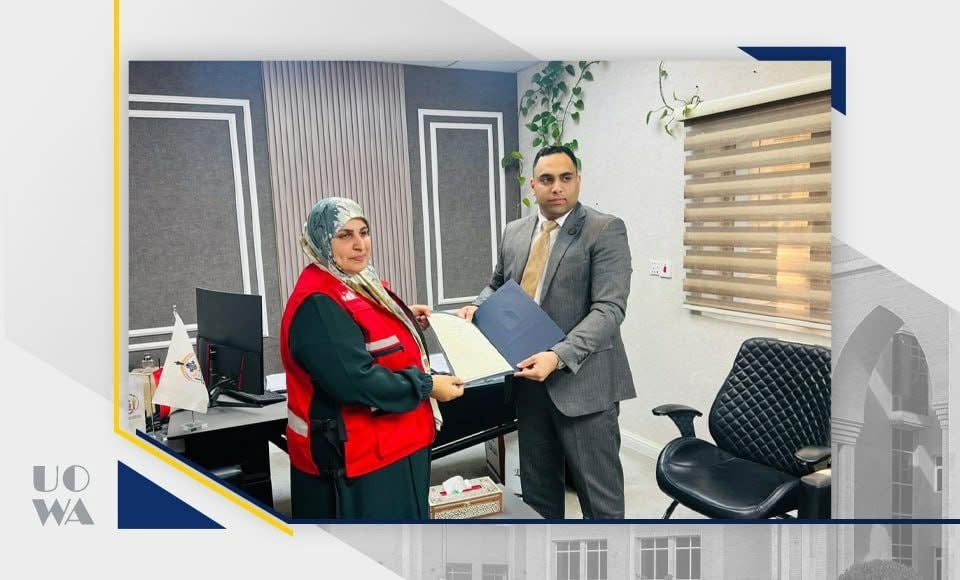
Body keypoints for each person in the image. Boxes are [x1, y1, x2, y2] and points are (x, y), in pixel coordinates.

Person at [457, 145, 635, 519]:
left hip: (584, 384)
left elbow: (609, 309)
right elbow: (496, 284)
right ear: (533, 185)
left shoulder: (604, 230)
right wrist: (477, 304)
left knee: (600, 500)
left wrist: (558, 356)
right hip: (529, 383)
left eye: (566, 178)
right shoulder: (515, 232)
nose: (557, 187)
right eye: (547, 179)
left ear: (578, 181)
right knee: (539, 495)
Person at [281, 197, 464, 519]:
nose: (360, 244)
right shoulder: (318, 303)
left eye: (363, 232)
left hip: (396, 443)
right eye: (345, 235)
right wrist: (428, 386)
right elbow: (355, 381)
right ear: (321, 241)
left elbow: (366, 331)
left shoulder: (356, 282)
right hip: (361, 458)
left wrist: (404, 318)